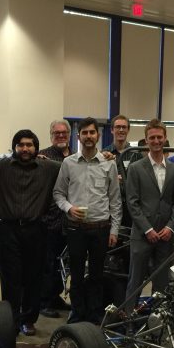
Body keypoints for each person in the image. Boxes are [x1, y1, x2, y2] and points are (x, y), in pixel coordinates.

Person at [0, 129, 61, 335]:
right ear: (14, 147)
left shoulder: (49, 167)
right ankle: (10, 320)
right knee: (9, 278)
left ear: (36, 148)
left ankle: (28, 320)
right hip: (7, 230)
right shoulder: (1, 166)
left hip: (35, 230)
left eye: (29, 145)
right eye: (21, 144)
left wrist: (106, 156)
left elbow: (74, 166)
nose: (25, 148)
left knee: (33, 278)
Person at [53, 117, 122, 323]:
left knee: (96, 275)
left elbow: (115, 201)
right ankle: (77, 312)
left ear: (98, 136)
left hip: (100, 228)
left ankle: (94, 314)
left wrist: (114, 230)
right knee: (75, 273)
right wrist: (69, 208)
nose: (89, 136)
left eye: (92, 132)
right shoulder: (68, 163)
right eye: (85, 133)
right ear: (79, 136)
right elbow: (58, 194)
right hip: (76, 228)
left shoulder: (109, 164)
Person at [123, 119, 174, 310]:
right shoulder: (136, 169)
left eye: (159, 137)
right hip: (142, 235)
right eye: (152, 137)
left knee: (161, 283)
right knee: (135, 281)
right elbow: (132, 203)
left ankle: (159, 321)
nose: (156, 141)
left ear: (165, 139)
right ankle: (129, 320)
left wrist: (170, 227)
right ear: (146, 140)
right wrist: (147, 229)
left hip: (165, 236)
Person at [38, 120, 73, 318]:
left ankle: (55, 296)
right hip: (49, 220)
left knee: (64, 263)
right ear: (51, 135)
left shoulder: (77, 157)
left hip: (71, 220)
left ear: (69, 134)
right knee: (48, 263)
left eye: (63, 132)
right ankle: (44, 301)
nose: (60, 135)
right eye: (56, 133)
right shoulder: (43, 155)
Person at [102, 114, 142, 227]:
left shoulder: (137, 154)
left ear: (128, 130)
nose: (121, 130)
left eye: (124, 127)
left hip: (132, 208)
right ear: (111, 130)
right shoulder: (102, 154)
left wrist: (126, 180)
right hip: (109, 207)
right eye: (117, 127)